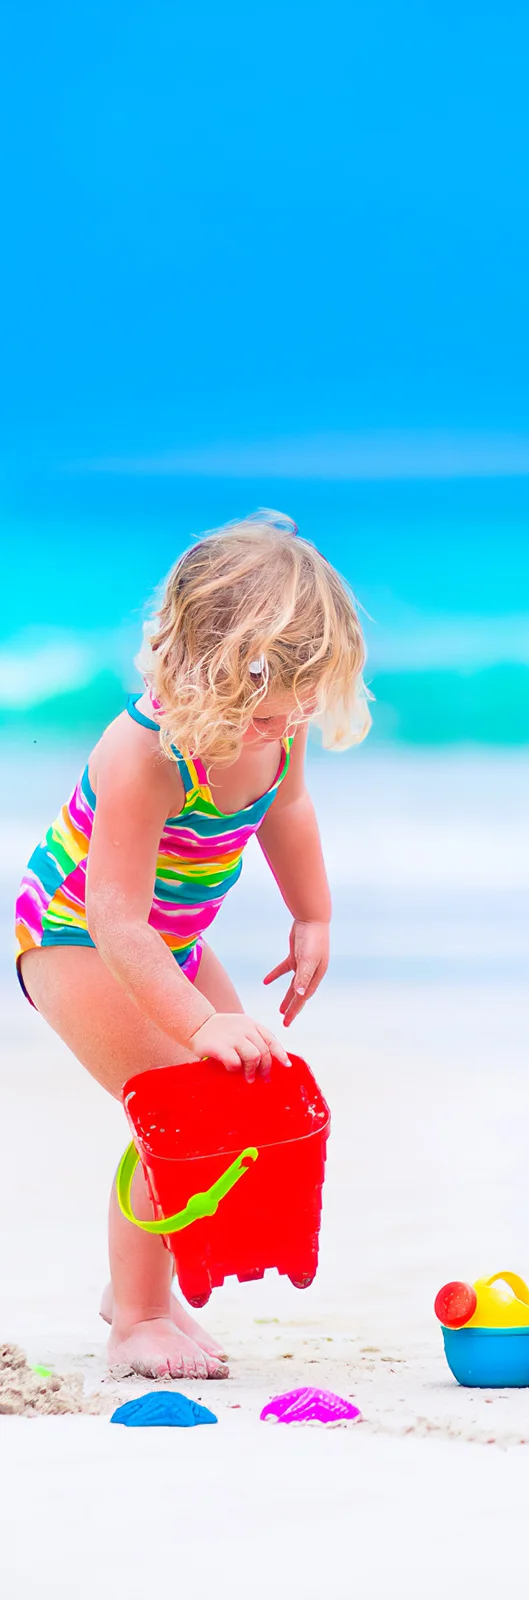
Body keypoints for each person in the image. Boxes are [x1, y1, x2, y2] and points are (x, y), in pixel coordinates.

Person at [14, 511, 369, 1380]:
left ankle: (138, 1289)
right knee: (180, 1110)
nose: (274, 733)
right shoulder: (144, 755)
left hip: (166, 938)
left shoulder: (276, 735)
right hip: (74, 934)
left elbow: (288, 812)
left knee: (235, 1108)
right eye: (256, 715)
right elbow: (115, 921)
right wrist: (198, 1022)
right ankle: (136, 1317)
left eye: (293, 714)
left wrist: (311, 915)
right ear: (194, 671)